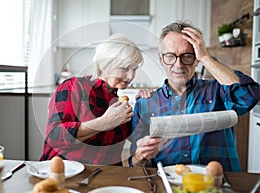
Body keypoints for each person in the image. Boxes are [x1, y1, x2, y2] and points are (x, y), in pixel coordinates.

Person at [129, 21, 260, 171]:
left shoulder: (218, 90)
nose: (178, 64)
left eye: (187, 56)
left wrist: (206, 57)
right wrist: (141, 155)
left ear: (197, 59)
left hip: (219, 184)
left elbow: (249, 96)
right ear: (161, 59)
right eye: (171, 56)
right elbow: (136, 164)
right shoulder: (145, 104)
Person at [40, 33, 143, 165]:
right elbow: (55, 136)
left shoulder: (119, 104)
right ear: (105, 65)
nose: (130, 76)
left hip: (104, 177)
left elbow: (137, 139)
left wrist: (144, 106)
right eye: (124, 68)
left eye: (134, 69)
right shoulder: (74, 87)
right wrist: (105, 122)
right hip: (63, 172)